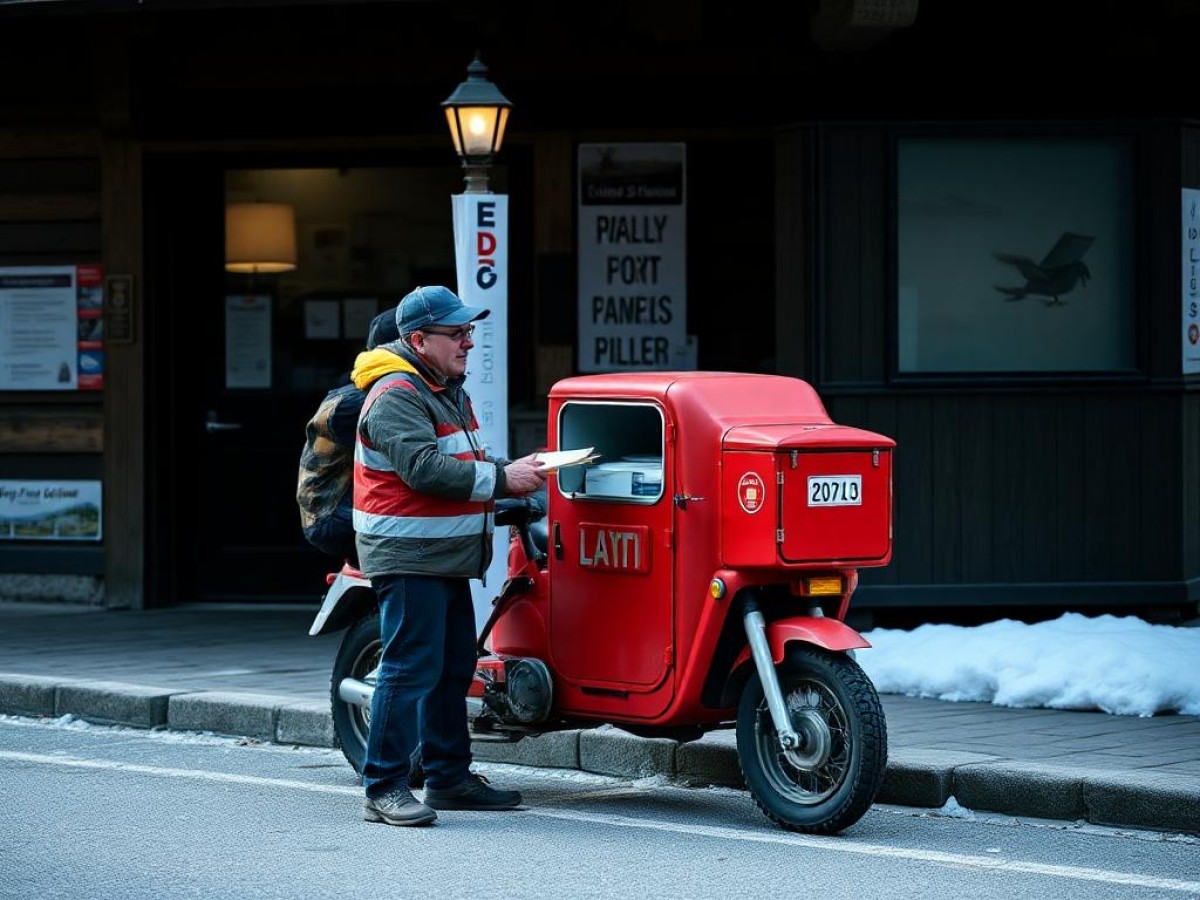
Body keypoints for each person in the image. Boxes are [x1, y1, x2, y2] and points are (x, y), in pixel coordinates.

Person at [350, 285, 547, 827]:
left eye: (469, 331)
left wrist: (519, 468)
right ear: (418, 340)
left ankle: (448, 778)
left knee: (453, 666)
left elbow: (465, 460)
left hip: (441, 555)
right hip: (409, 554)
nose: (467, 341)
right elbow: (425, 470)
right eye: (455, 333)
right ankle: (384, 786)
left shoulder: (443, 387)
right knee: (410, 668)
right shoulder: (396, 395)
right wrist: (505, 479)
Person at [296, 310, 401, 566]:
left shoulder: (371, 388)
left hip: (338, 510)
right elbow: (417, 464)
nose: (466, 343)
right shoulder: (366, 400)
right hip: (333, 517)